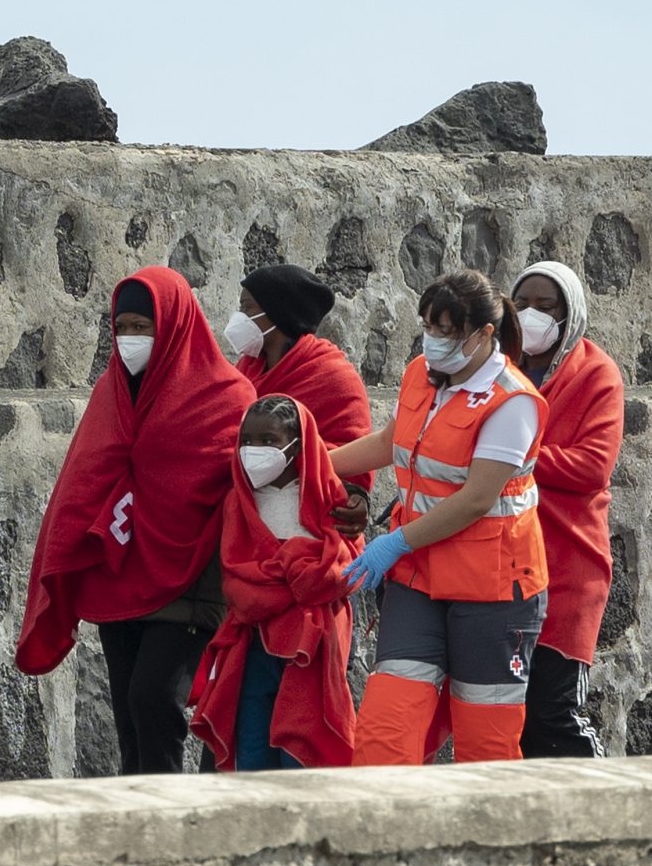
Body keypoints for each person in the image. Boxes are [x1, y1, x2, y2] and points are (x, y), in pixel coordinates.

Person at [16, 266, 255, 773]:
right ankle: (135, 822)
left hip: (190, 579)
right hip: (120, 577)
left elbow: (236, 484)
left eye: (142, 327)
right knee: (129, 711)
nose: (130, 339)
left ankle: (167, 817)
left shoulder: (228, 397)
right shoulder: (112, 392)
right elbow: (85, 476)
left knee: (154, 699)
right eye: (121, 327)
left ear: (173, 325)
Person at [330, 270, 549, 764]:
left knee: (485, 746)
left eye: (447, 330)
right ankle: (385, 839)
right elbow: (390, 444)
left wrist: (394, 542)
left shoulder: (513, 402)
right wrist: (315, 462)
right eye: (429, 326)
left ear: (484, 334)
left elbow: (476, 498)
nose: (434, 340)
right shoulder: (420, 375)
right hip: (419, 580)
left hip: (492, 591)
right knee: (385, 730)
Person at [189, 397, 363, 770]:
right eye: (247, 440)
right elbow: (237, 578)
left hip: (312, 644)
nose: (255, 451)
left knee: (303, 742)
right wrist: (298, 572)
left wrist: (286, 573)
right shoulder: (239, 501)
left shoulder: (329, 497)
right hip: (255, 641)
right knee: (252, 740)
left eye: (268, 441)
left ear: (296, 444)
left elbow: (346, 564)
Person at [510, 261, 623, 757]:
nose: (531, 314)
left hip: (569, 563)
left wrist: (513, 460)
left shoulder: (597, 374)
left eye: (545, 306)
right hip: (504, 563)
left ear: (569, 314)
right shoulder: (501, 368)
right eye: (522, 304)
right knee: (508, 714)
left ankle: (606, 806)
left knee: (553, 711)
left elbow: (592, 467)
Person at [227, 264, 376, 506]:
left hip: (305, 512)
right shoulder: (247, 368)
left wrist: (286, 453)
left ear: (276, 313)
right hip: (245, 505)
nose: (240, 316)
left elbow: (355, 460)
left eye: (247, 308)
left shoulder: (333, 376)